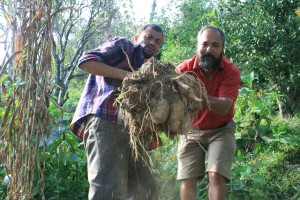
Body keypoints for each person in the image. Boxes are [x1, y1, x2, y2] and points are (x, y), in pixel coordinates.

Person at [70, 24, 164, 200]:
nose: (152, 42)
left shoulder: (151, 69)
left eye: (157, 41)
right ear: (137, 38)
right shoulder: (124, 47)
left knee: (146, 190)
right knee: (108, 191)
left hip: (134, 131)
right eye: (148, 37)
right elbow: (86, 61)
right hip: (107, 120)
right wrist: (126, 75)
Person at [175, 25, 241, 200]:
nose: (209, 50)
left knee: (215, 175)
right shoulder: (183, 70)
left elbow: (223, 107)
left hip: (221, 130)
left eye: (215, 45)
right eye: (204, 44)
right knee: (187, 178)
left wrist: (195, 95)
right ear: (197, 46)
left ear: (222, 48)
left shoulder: (230, 71)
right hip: (191, 130)